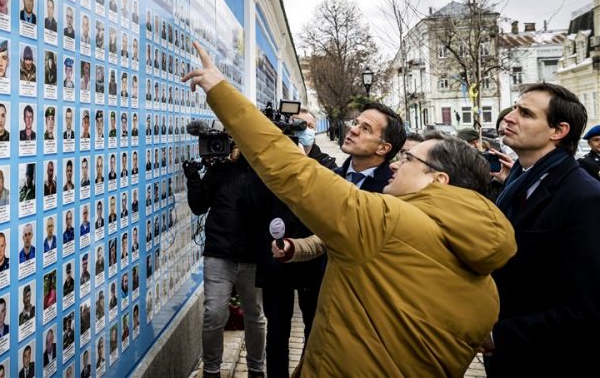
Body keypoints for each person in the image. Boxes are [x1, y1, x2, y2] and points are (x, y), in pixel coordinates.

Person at [183, 42, 517, 376]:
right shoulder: (487, 289)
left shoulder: (388, 221)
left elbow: (290, 171)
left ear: (438, 180)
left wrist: (219, 89)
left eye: (409, 159)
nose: (398, 165)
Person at [484, 84, 600, 376]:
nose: (509, 117)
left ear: (558, 131)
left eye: (525, 113)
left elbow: (586, 308)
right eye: (514, 108)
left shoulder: (585, 197)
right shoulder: (518, 180)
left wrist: (499, 336)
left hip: (548, 360)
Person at [243, 107, 343, 378]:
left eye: (308, 126)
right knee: (277, 333)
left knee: (314, 330)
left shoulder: (326, 164)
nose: (304, 131)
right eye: (297, 126)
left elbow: (333, 201)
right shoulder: (271, 164)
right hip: (276, 262)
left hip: (313, 262)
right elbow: (251, 204)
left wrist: (304, 166)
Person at [184, 131, 266, 377]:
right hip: (219, 253)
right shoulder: (219, 171)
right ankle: (211, 371)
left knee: (255, 316)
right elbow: (199, 206)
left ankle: (256, 369)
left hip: (252, 256)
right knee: (214, 313)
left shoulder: (264, 170)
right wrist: (193, 178)